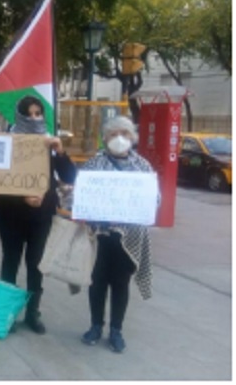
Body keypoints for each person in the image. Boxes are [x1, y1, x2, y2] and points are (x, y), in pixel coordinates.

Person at [0, 95, 76, 334]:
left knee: (36, 265)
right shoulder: (8, 142)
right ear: (19, 116)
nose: (34, 118)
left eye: (38, 113)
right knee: (10, 262)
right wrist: (21, 196)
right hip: (10, 213)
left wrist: (60, 152)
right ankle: (6, 313)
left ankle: (32, 313)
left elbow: (70, 176)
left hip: (41, 215)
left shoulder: (49, 143)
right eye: (28, 114)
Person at [80, 115, 155, 353]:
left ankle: (116, 330)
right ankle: (95, 326)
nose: (119, 139)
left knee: (121, 284)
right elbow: (81, 194)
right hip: (100, 234)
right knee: (97, 281)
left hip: (128, 236)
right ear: (105, 138)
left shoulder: (142, 166)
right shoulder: (94, 164)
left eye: (124, 133)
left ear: (132, 137)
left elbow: (155, 198)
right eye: (113, 134)